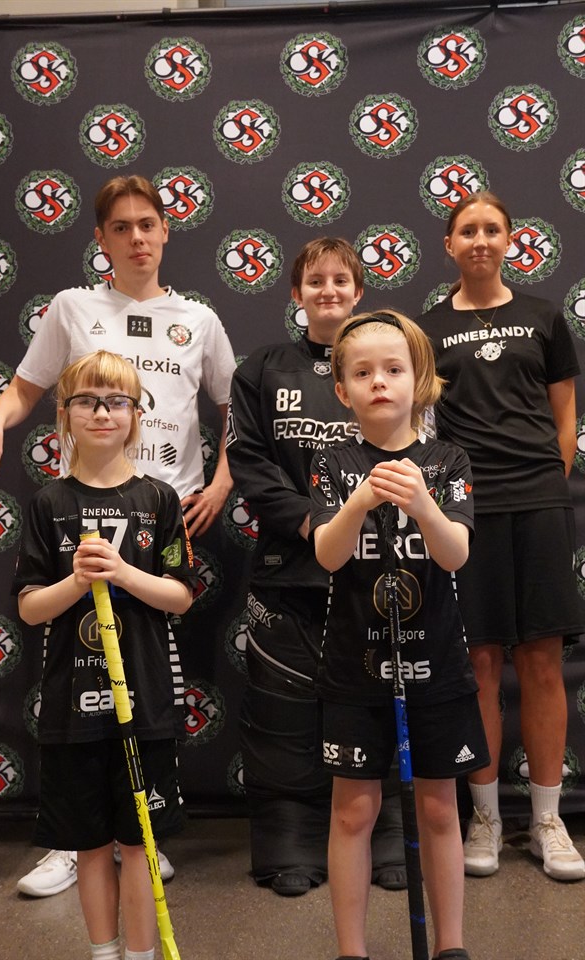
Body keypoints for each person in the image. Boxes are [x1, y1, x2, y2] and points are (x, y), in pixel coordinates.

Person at [0, 174, 236, 896]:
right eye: (122, 227)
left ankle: (142, 830)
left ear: (166, 231)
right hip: (80, 511)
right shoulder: (73, 307)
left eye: (148, 224)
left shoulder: (198, 319)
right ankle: (71, 838)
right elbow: (27, 386)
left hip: (160, 513)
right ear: (101, 239)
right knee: (72, 667)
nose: (137, 237)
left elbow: (233, 405)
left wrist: (222, 481)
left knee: (154, 676)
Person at [226, 238, 407, 897]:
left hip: (374, 568)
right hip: (289, 570)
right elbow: (248, 462)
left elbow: (412, 446)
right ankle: (289, 840)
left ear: (359, 291)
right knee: (284, 711)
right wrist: (314, 522)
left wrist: (360, 526)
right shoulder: (261, 369)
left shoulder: (385, 362)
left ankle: (388, 832)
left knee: (378, 701)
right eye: (315, 280)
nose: (328, 290)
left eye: (340, 280)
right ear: (295, 293)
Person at [309, 309, 489, 960]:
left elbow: (455, 554)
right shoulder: (333, 462)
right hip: (355, 666)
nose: (379, 381)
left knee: (440, 809)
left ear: (421, 381)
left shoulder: (447, 460)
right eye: (362, 373)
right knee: (353, 811)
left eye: (393, 369)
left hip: (435, 662)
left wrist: (422, 505)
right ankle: (351, 949)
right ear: (342, 390)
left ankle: (451, 946)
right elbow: (328, 555)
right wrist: (359, 501)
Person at [418, 191, 585, 883]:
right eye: (468, 231)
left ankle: (548, 821)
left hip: (539, 503)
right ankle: (484, 818)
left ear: (511, 240)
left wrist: (547, 481)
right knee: (480, 663)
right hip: (469, 511)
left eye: (492, 229)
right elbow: (425, 426)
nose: (480, 240)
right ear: (450, 245)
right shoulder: (428, 329)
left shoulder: (544, 316)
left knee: (542, 661)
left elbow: (565, 418)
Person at [13, 350, 196, 960]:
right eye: (87, 401)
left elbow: (180, 596)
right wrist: (75, 581)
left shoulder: (159, 499)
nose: (101, 412)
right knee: (90, 845)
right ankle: (104, 953)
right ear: (64, 414)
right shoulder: (47, 503)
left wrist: (121, 572)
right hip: (73, 708)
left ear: (136, 414)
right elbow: (30, 609)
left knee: (139, 844)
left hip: (145, 706)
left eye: (116, 401)